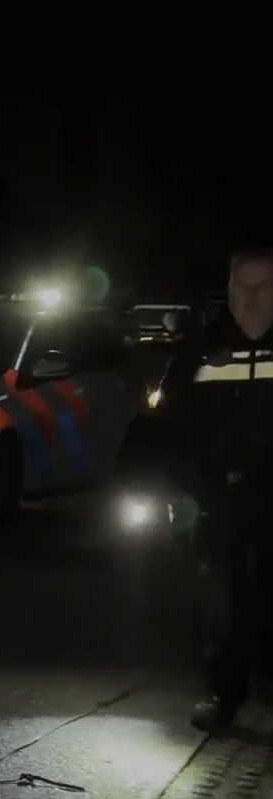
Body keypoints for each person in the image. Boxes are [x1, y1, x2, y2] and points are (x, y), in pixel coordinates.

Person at [183, 248, 273, 733]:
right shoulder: (206, 347)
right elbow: (179, 424)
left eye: (262, 287)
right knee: (226, 602)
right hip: (226, 499)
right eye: (243, 287)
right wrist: (201, 485)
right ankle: (224, 692)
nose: (251, 298)